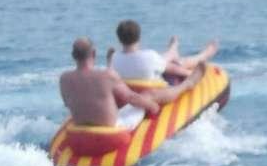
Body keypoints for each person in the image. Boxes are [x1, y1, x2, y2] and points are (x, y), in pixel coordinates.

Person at [59, 36, 199, 128]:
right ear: (94, 54)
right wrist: (152, 107)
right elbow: (131, 98)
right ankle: (188, 84)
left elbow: (69, 103)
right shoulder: (106, 76)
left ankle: (110, 64)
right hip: (114, 127)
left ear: (73, 56)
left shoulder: (64, 79)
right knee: (149, 94)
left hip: (81, 128)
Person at [105, 20, 218, 85]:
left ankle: (173, 50)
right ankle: (204, 54)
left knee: (164, 61)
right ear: (139, 38)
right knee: (176, 63)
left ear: (119, 39)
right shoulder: (148, 56)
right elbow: (173, 69)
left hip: (133, 90)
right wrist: (191, 75)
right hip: (156, 91)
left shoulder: (114, 60)